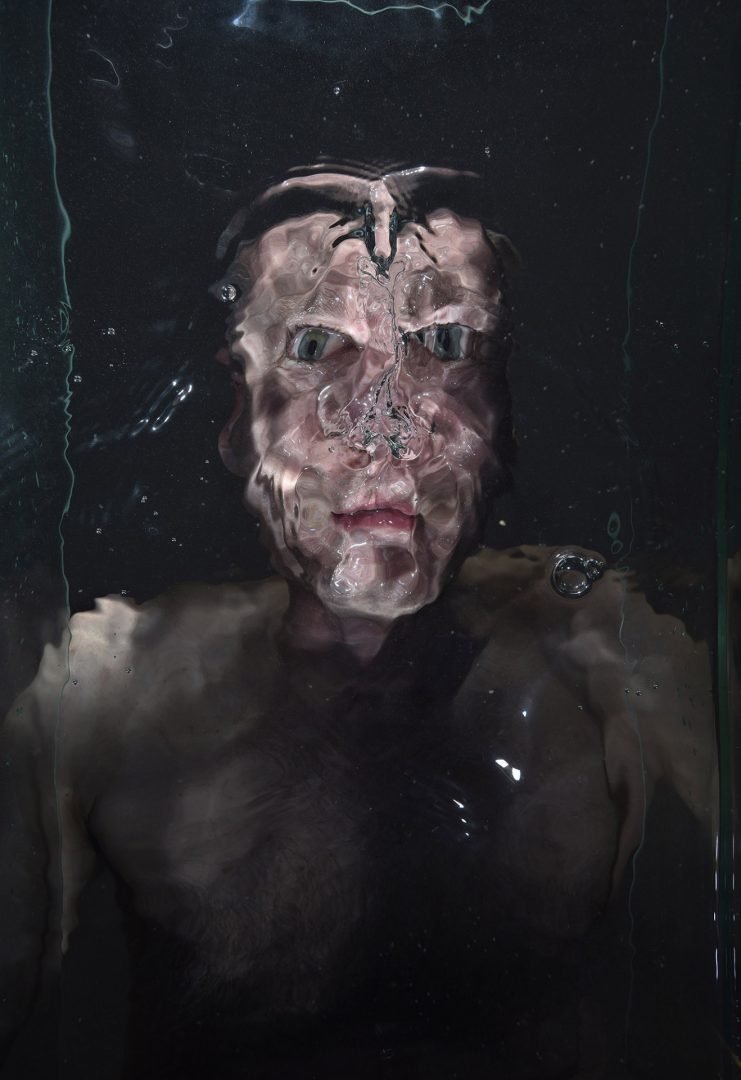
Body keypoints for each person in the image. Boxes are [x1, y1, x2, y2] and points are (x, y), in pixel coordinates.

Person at [0, 168, 717, 1079]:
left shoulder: (613, 653)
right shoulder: (99, 689)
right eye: (316, 344)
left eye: (445, 343)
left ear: (502, 409)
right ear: (236, 415)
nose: (388, 429)